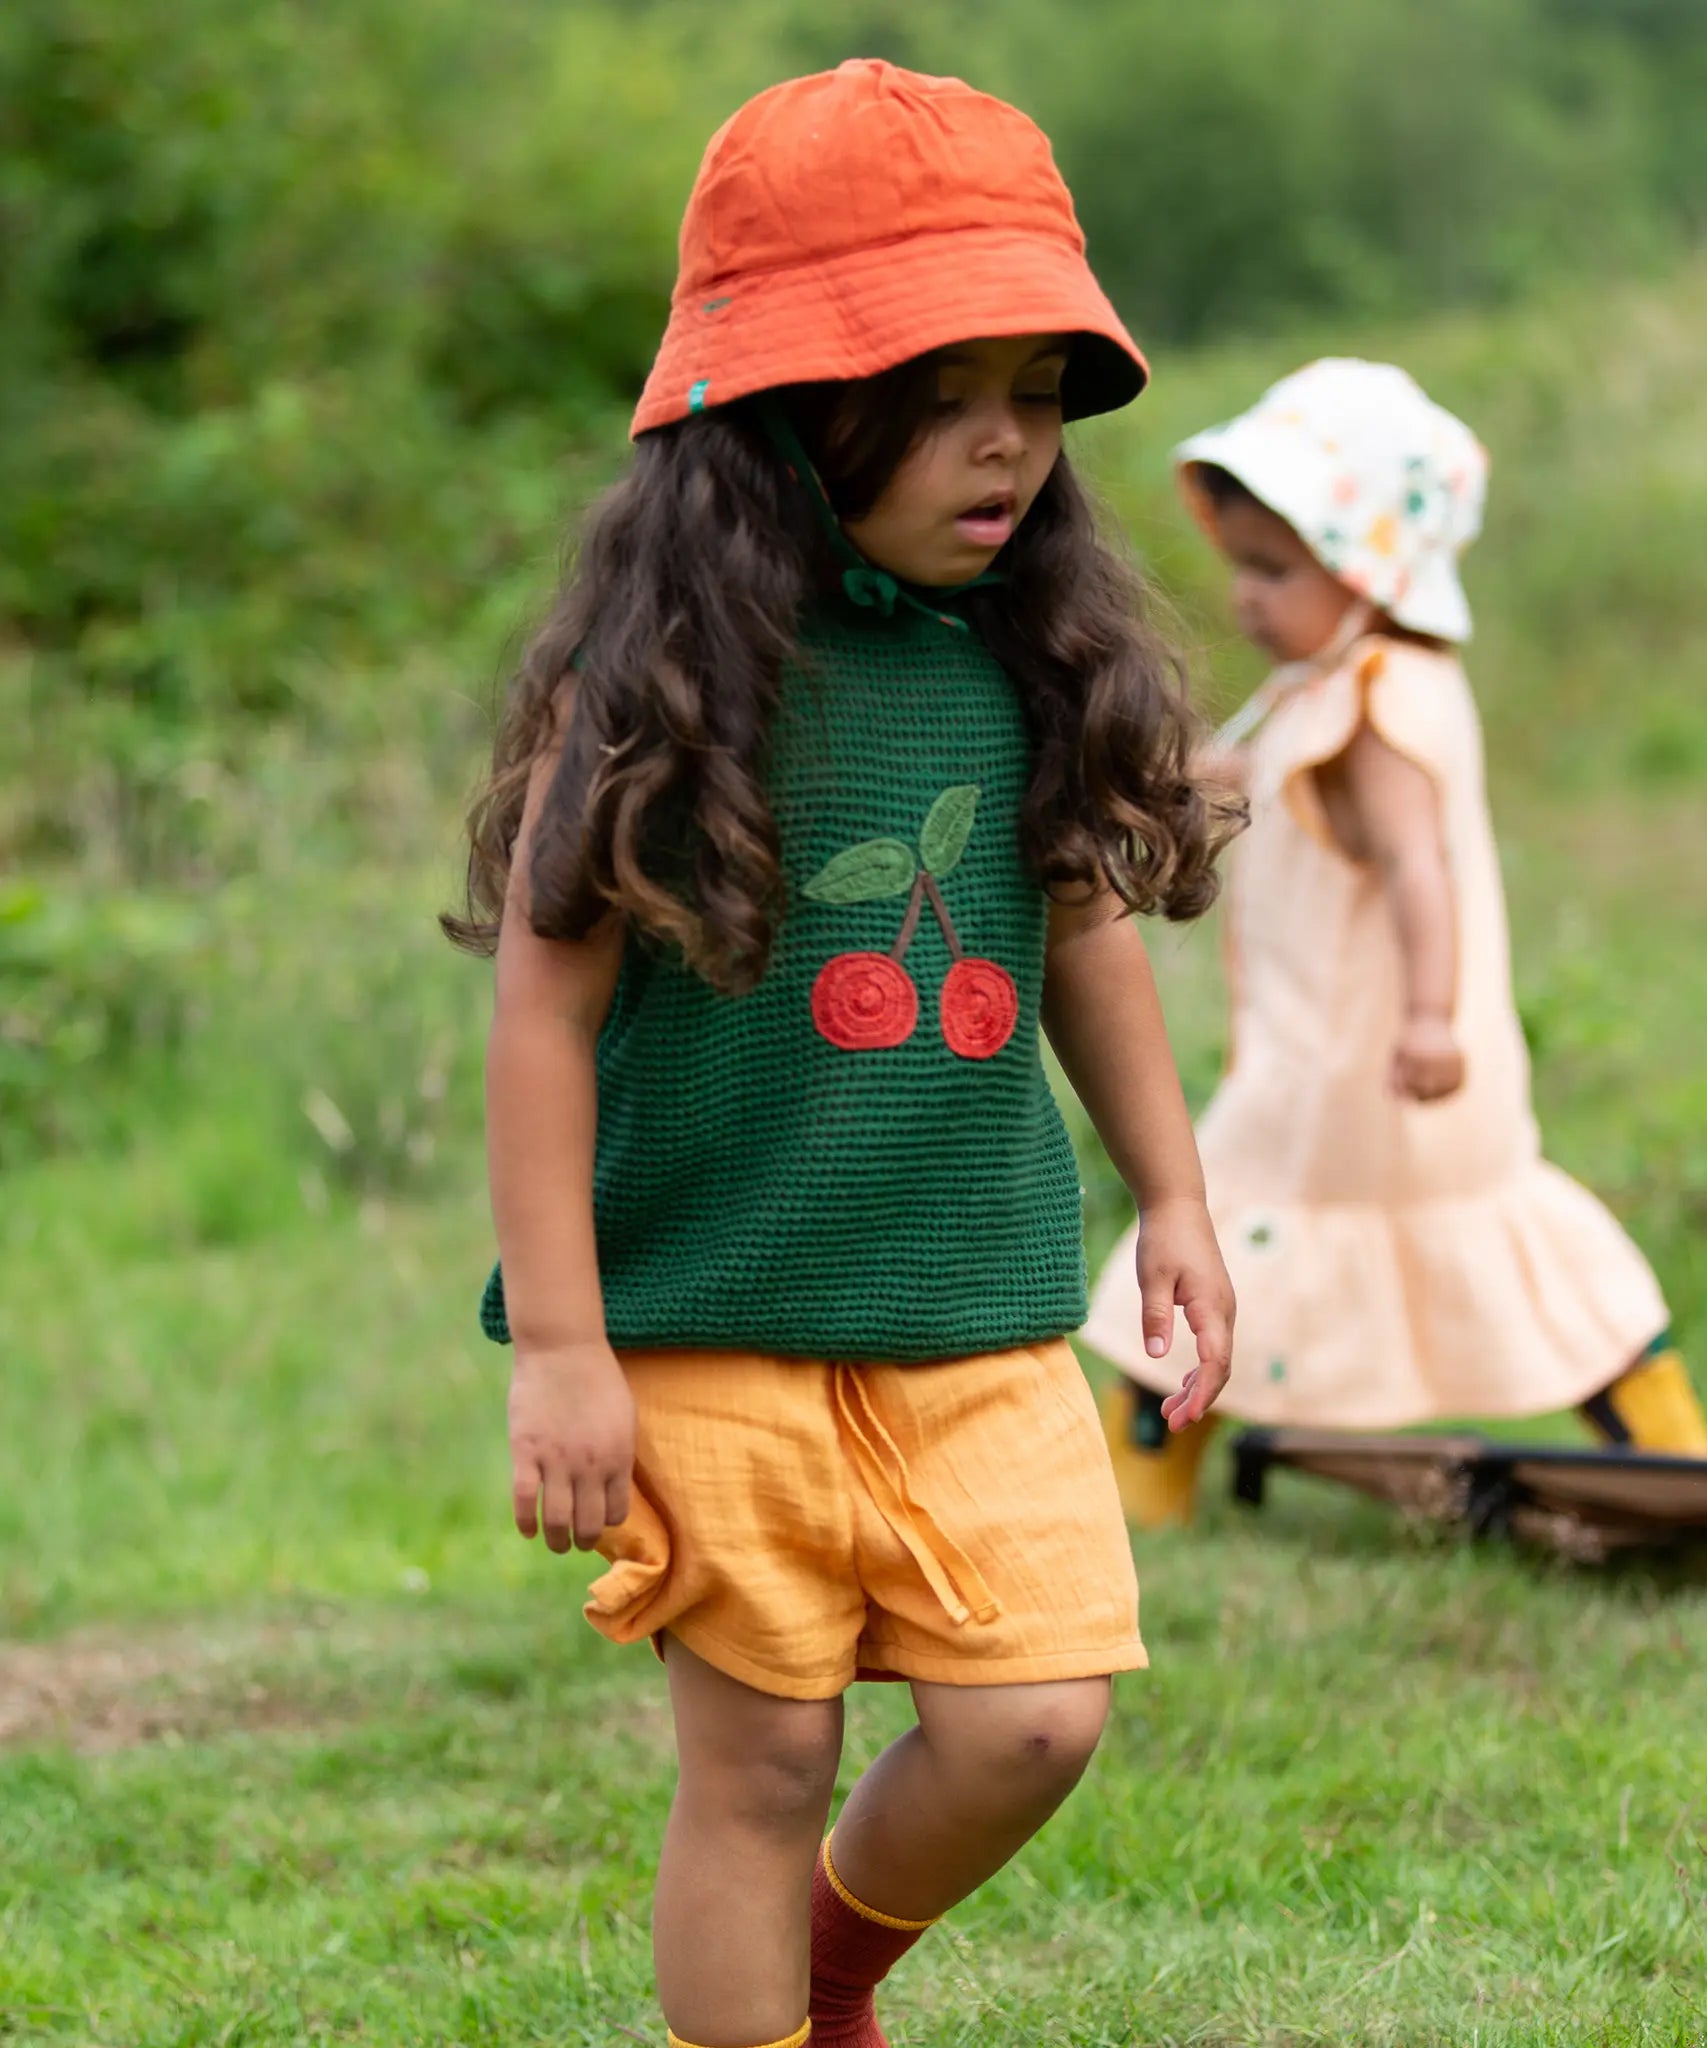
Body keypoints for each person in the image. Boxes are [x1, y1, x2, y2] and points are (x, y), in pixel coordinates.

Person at [445, 60, 1241, 2048]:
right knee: (759, 1768)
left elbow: (1074, 932)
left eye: (1037, 397)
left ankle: (821, 1971)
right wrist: (562, 1345)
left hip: (969, 1309)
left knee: (1034, 1715)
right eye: (945, 394)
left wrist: (1174, 1190)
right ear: (782, 408)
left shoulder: (1018, 657)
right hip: (709, 1318)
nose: (1006, 451)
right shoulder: (654, 688)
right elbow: (540, 1011)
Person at [1086, 357, 1707, 1531]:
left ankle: (1664, 1443)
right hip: (1317, 1069)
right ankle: (1660, 1426)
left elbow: (1420, 865)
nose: (1247, 599)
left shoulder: (1376, 701)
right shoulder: (1327, 683)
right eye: (1241, 567)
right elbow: (1245, 776)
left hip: (1366, 1069)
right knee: (1255, 1240)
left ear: (1370, 570)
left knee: (1233, 1233)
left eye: (1274, 571)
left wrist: (1430, 1014)